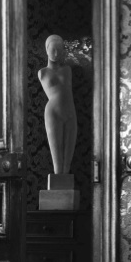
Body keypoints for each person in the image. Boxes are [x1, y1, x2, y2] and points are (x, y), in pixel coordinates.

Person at [38, 34, 77, 175]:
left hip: (70, 112)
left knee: (68, 160)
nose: (56, 53)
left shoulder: (67, 70)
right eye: (53, 50)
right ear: (46, 50)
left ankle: (65, 182)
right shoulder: (42, 72)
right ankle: (58, 182)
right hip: (53, 113)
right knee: (57, 160)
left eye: (59, 50)